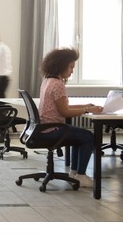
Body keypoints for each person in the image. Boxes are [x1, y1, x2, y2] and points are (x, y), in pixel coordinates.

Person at [38, 47, 102, 187]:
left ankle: (75, 173)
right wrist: (87, 110)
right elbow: (64, 112)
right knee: (88, 137)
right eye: (71, 67)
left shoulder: (48, 80)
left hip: (44, 128)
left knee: (79, 135)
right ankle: (80, 174)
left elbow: (63, 107)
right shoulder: (58, 84)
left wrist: (85, 106)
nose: (72, 71)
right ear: (61, 65)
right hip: (53, 130)